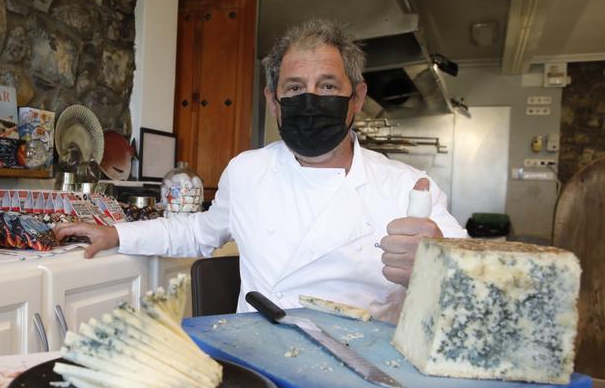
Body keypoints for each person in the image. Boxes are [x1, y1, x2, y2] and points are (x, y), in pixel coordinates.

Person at [55, 19, 466, 322]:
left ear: (356, 98)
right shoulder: (248, 170)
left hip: (357, 370)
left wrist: (435, 265)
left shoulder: (407, 188)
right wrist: (116, 233)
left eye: (326, 87)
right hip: (254, 361)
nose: (309, 99)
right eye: (293, 88)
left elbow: (478, 283)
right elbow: (197, 232)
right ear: (274, 101)